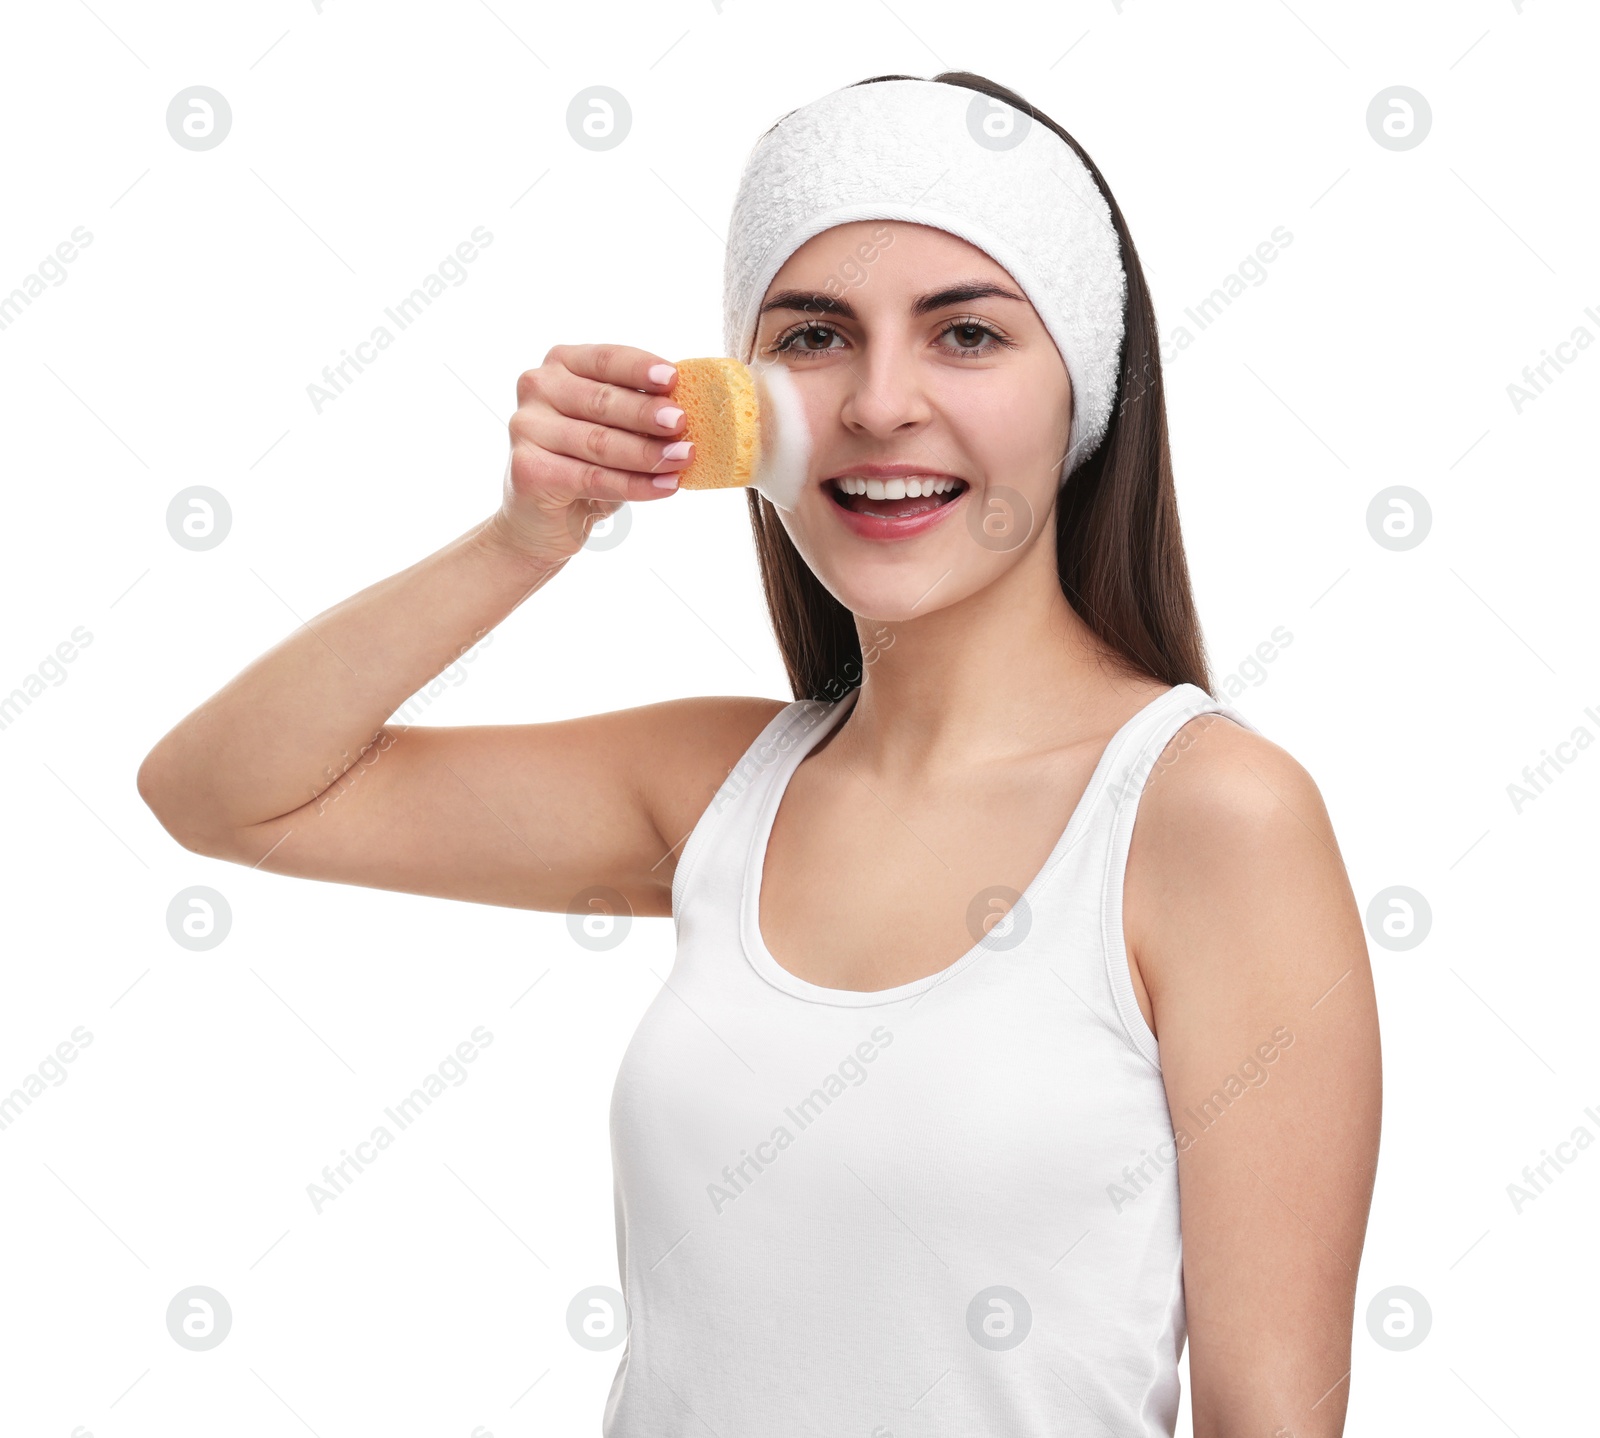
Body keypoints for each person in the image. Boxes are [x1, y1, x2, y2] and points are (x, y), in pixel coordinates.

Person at [139, 70, 1380, 1438]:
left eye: (967, 333)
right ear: (745, 401)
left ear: (1082, 393)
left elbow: (1272, 1415)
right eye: (813, 337)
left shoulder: (1208, 818)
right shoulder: (717, 788)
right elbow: (222, 792)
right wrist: (524, 542)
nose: (879, 403)